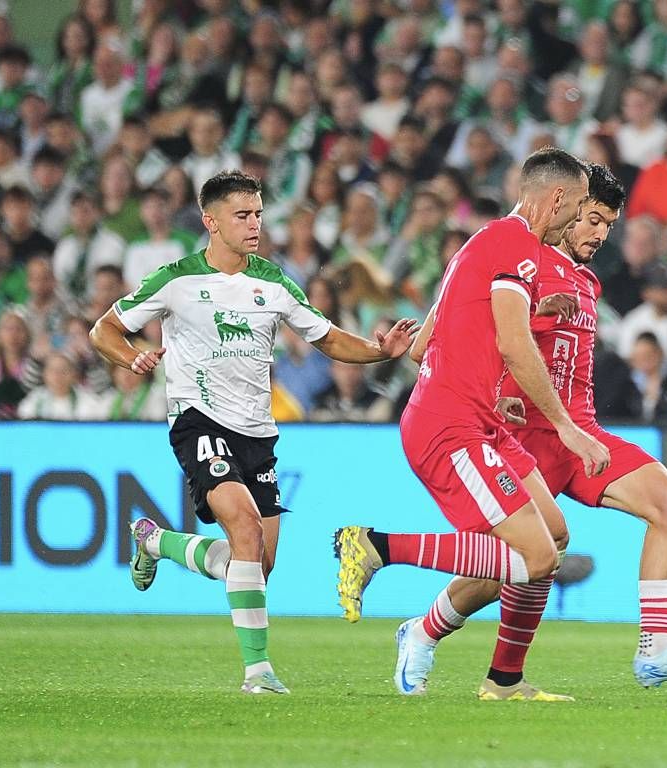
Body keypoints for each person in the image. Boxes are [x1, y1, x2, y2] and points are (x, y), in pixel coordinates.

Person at [89, 170, 419, 695]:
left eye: (259, 214)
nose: (254, 224)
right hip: (198, 420)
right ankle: (259, 673)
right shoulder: (176, 280)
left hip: (257, 433)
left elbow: (328, 338)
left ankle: (156, 542)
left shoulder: (273, 281)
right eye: (242, 215)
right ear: (210, 221)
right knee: (243, 530)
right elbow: (104, 328)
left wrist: (380, 351)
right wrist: (131, 357)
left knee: (256, 564)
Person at [396, 163, 667, 697]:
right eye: (594, 220)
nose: (600, 234)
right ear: (567, 208)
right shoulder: (515, 255)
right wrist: (491, 391)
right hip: (522, 439)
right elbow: (467, 335)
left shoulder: (586, 279)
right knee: (516, 565)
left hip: (579, 434)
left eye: (608, 225)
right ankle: (426, 633)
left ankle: (655, 648)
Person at [334, 147, 608, 702]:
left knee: (552, 536)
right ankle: (377, 546)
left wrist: (490, 387)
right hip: (449, 426)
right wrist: (567, 427)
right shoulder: (515, 246)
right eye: (578, 206)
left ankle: (503, 681)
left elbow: (422, 346)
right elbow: (513, 341)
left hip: (476, 417)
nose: (579, 218)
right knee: (535, 557)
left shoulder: (478, 247)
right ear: (555, 198)